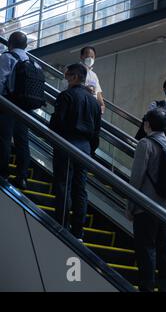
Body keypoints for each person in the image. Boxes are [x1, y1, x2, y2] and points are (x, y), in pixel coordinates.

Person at [49, 63, 101, 240]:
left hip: (66, 143)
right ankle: (78, 230)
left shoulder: (66, 96)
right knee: (80, 189)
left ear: (75, 77)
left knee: (63, 184)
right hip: (85, 147)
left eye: (68, 75)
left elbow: (57, 122)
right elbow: (97, 131)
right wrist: (90, 149)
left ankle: (62, 224)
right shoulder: (93, 101)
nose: (66, 78)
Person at [127, 108, 166, 292]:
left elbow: (136, 177)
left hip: (146, 208)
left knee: (146, 250)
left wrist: (130, 206)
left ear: (147, 124)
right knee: (164, 253)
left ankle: (146, 288)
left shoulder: (145, 144)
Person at [0, 31, 33, 189]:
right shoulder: (31, 61)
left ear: (9, 43)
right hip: (25, 107)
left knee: (4, 139)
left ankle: (3, 174)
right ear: (25, 45)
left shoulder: (7, 57)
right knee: (22, 142)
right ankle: (22, 177)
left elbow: (1, 81)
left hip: (8, 104)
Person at [80, 46, 106, 114]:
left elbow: (98, 92)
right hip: (80, 104)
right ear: (81, 56)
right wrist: (85, 88)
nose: (90, 58)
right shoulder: (75, 69)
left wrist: (102, 104)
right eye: (88, 56)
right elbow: (68, 85)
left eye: (92, 57)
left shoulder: (94, 75)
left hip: (91, 107)